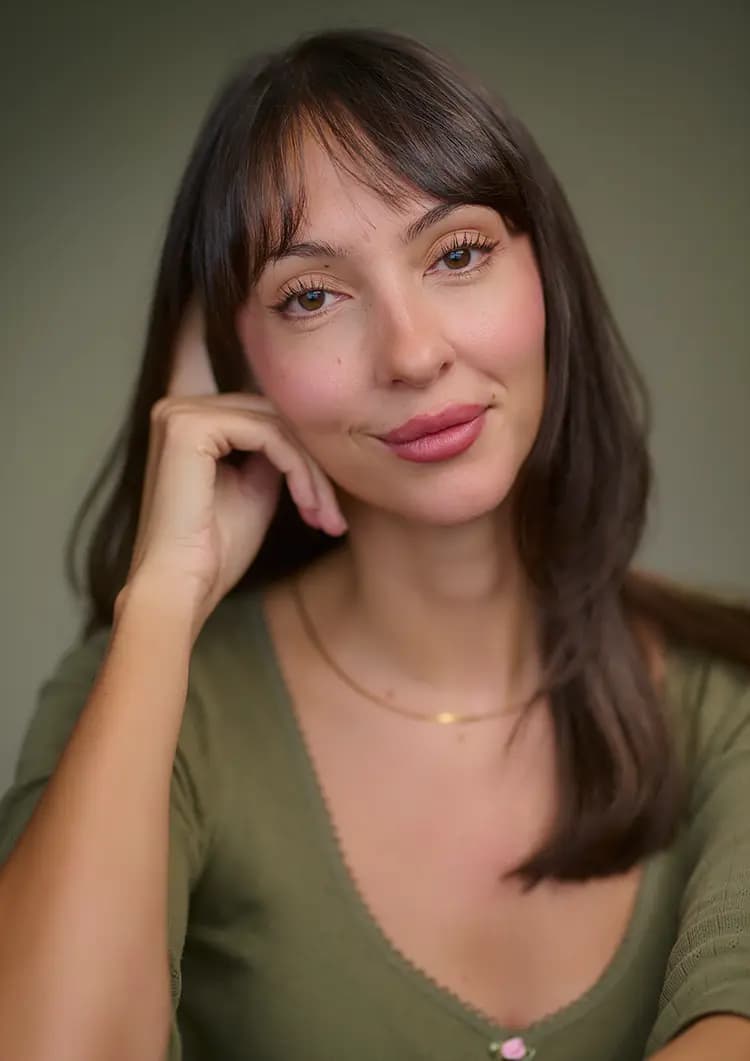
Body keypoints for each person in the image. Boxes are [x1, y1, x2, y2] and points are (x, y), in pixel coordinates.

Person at [0, 27, 748, 1061]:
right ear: (233, 365)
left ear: (548, 278)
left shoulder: (729, 689)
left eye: (459, 252)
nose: (411, 351)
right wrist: (163, 595)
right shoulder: (147, 704)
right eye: (311, 296)